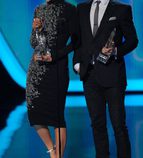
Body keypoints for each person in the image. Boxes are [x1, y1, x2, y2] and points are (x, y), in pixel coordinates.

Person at [73, 0, 138, 158]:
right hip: (89, 76)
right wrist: (76, 63)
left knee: (118, 126)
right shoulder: (81, 8)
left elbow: (132, 40)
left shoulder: (122, 9)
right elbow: (78, 41)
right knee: (97, 124)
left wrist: (115, 51)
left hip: (113, 76)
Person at [26, 0, 79, 158]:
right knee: (34, 112)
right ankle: (52, 151)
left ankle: (59, 156)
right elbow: (34, 42)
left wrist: (55, 56)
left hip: (56, 68)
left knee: (56, 116)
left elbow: (76, 41)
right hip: (36, 69)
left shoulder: (69, 9)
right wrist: (35, 29)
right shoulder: (39, 9)